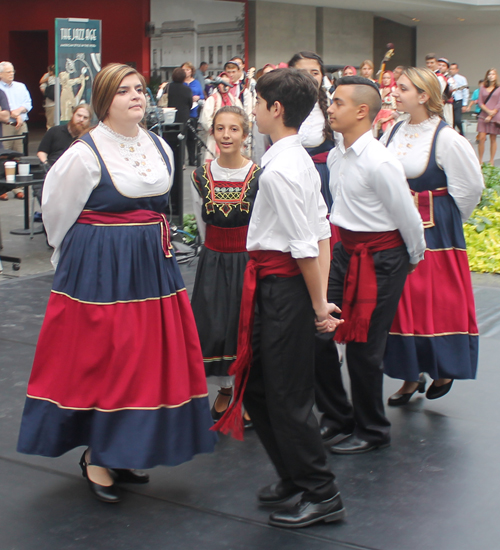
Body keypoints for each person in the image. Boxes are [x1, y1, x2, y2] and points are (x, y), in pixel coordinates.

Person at [17, 63, 216, 503]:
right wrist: (82, 259)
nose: (135, 96)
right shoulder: (84, 153)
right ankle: (98, 455)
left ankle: (122, 449)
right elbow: (56, 211)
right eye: (124, 90)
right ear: (105, 99)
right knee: (108, 358)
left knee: (144, 358)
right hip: (102, 272)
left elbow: (162, 207)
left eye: (140, 89)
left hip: (151, 270)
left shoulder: (159, 146)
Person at [213, 68, 345, 529]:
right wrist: (320, 296)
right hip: (280, 286)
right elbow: (322, 229)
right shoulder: (295, 160)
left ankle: (321, 491)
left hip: (285, 289)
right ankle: (294, 477)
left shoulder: (282, 169)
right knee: (266, 390)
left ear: (276, 110)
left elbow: (308, 244)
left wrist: (317, 305)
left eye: (258, 101)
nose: (251, 109)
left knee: (286, 395)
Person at [322, 76, 426, 455]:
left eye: (337, 102)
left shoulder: (381, 162)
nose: (330, 108)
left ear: (362, 111)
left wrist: (410, 259)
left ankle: (372, 429)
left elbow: (408, 219)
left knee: (364, 349)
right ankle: (337, 416)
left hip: (382, 257)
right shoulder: (336, 154)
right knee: (319, 330)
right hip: (345, 253)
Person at [382, 67, 483, 405]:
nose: (395, 93)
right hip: (397, 226)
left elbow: (469, 189)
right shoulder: (393, 130)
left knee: (435, 302)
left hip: (436, 233)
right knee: (402, 302)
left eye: (403, 89)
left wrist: (445, 218)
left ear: (424, 96)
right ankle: (410, 375)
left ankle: (442, 367)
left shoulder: (448, 139)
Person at [191, 106, 261, 428]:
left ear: (245, 135)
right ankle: (224, 388)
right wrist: (212, 252)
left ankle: (247, 391)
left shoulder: (259, 176)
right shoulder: (200, 175)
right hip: (213, 260)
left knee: (244, 326)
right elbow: (201, 222)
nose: (226, 135)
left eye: (234, 129)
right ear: (213, 133)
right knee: (215, 326)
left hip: (247, 261)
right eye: (220, 129)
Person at [288, 51, 335, 209]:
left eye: (314, 73)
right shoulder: (279, 105)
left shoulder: (332, 106)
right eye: (302, 73)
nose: (308, 77)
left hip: (321, 176)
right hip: (288, 175)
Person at [0, 61, 32, 199]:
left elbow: (28, 103)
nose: (11, 74)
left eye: (13, 71)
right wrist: (14, 114)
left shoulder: (21, 86)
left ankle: (18, 188)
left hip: (21, 124)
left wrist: (19, 112)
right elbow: (5, 110)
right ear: (1, 74)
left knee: (20, 156)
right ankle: (3, 189)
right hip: (6, 125)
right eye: (8, 72)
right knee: (3, 156)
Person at [200, 73, 242, 161]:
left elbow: (241, 116)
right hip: (215, 136)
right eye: (222, 83)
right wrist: (214, 129)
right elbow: (205, 118)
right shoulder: (212, 99)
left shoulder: (234, 100)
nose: (224, 86)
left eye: (227, 83)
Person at [181, 62, 205, 166]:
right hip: (183, 112)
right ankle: (181, 160)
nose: (186, 72)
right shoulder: (180, 83)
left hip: (193, 112)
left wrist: (198, 97)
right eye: (184, 70)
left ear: (191, 71)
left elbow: (202, 95)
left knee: (192, 138)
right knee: (182, 137)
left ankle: (192, 158)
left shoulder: (196, 83)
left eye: (188, 70)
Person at [477, 68, 500, 165]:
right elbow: (480, 102)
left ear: (496, 76)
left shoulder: (499, 88)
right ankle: (480, 160)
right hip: (483, 115)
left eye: (493, 74)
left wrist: (492, 114)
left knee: (493, 138)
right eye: (489, 74)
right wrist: (488, 112)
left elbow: (499, 103)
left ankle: (491, 160)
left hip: (494, 116)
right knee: (481, 138)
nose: (491, 76)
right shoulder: (483, 87)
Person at [372, 70, 398, 137]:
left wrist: (387, 118)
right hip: (378, 119)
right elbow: (375, 105)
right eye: (384, 78)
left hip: (391, 119)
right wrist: (383, 95)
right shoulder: (379, 90)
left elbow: (399, 109)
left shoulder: (395, 90)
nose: (386, 80)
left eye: (388, 78)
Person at [449, 62, 469, 135]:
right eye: (450, 69)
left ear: (457, 70)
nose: (451, 70)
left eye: (453, 69)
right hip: (450, 101)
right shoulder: (447, 78)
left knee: (457, 120)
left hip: (458, 101)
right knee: (451, 121)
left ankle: (462, 133)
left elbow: (465, 91)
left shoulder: (462, 78)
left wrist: (464, 104)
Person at [39, 65, 56, 130]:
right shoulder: (61, 76)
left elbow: (41, 82)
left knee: (50, 124)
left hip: (51, 102)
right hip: (56, 103)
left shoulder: (49, 77)